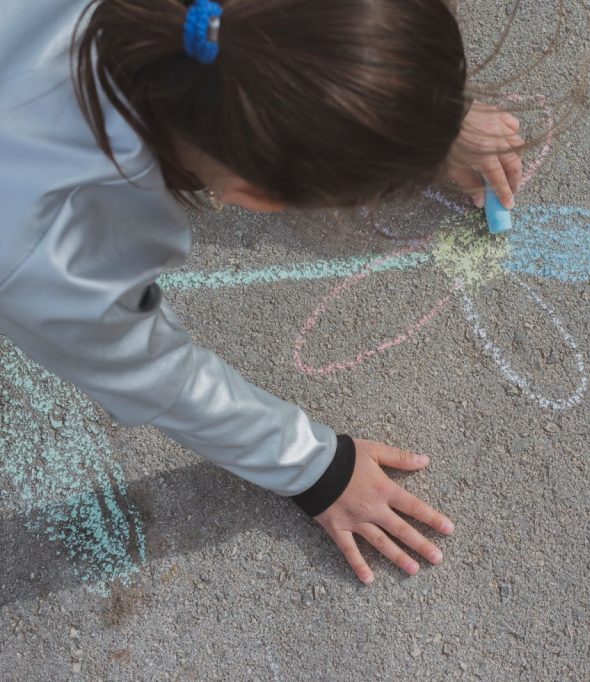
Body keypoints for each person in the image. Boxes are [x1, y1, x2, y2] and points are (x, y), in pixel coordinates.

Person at [0, 0, 527, 585]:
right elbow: (154, 373)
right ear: (253, 196)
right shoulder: (49, 247)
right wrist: (317, 468)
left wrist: (415, 109)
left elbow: (298, 36)